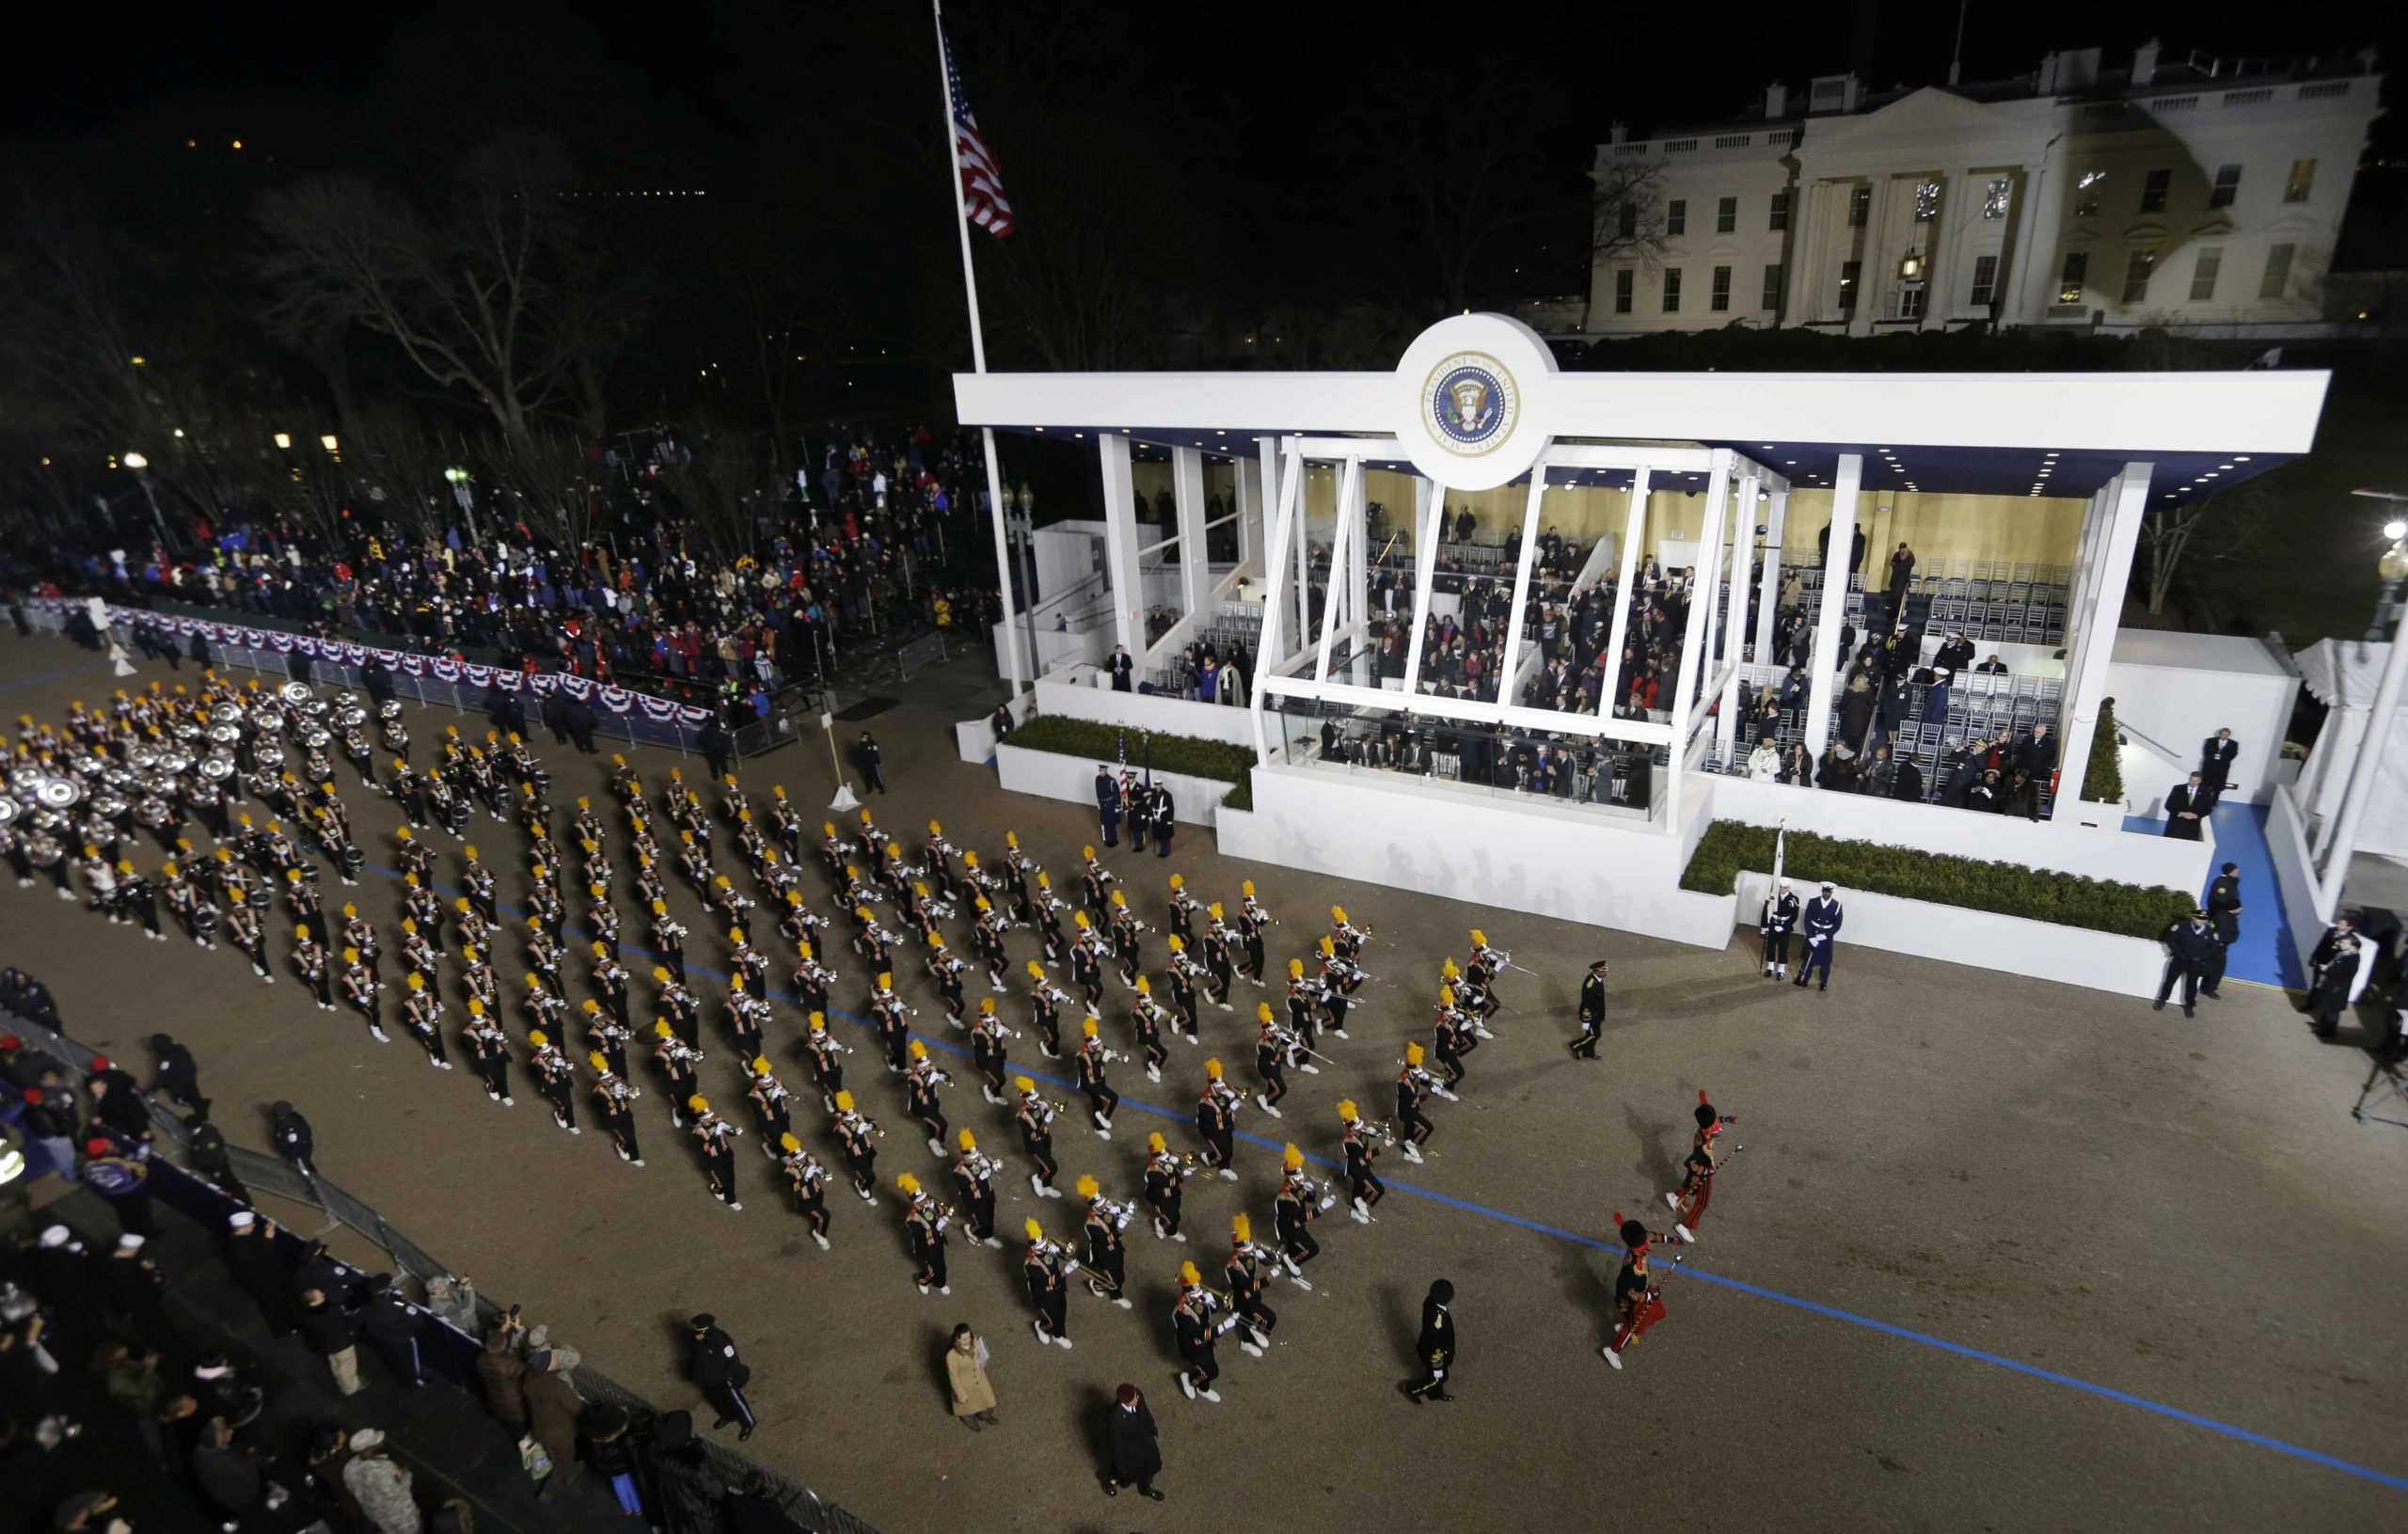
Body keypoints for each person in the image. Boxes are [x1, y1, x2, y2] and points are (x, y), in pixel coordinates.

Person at [688, 1313, 756, 1440]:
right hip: (709, 1378)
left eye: (699, 1331)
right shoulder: (699, 1339)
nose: (696, 1333)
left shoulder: (721, 1340)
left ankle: (749, 1422)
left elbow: (733, 1360)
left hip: (725, 1377)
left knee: (736, 1401)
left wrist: (729, 1377)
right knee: (717, 1399)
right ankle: (728, 1415)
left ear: (706, 1330)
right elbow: (699, 1357)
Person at [341, 1429, 422, 1534]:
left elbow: (352, 1490)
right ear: (369, 1448)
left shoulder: (349, 1468)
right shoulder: (384, 1469)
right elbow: (399, 1493)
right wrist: (406, 1475)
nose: (381, 1441)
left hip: (381, 1521)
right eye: (377, 1440)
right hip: (403, 1520)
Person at [1104, 1383, 1164, 1500]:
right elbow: (1116, 1444)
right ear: (1125, 1403)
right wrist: (1120, 1464)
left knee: (1151, 1465)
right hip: (1129, 1449)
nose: (1137, 1399)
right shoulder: (1115, 1418)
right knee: (1122, 1473)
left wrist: (1152, 1427)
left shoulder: (1138, 1395)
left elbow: (1146, 1412)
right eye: (1134, 1399)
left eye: (1136, 1396)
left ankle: (1145, 1487)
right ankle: (1110, 1482)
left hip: (1145, 1441)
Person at [1400, 1278, 1457, 1402]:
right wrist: (1437, 1366)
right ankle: (1412, 1389)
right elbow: (1436, 1343)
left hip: (1426, 1346)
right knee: (1439, 1377)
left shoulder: (1429, 1302)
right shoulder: (1438, 1319)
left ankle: (1435, 1393)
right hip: (1435, 1354)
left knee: (1439, 1376)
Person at [2155, 909, 2217, 1019]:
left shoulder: (2210, 931)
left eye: (2204, 919)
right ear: (2193, 917)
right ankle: (2162, 1000)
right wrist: (2179, 953)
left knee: (2192, 986)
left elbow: (2212, 947)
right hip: (2180, 960)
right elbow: (2170, 939)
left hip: (2196, 962)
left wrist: (2202, 957)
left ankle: (2189, 1005)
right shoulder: (2181, 926)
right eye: (2199, 918)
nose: (2201, 921)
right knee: (2169, 981)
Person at [945, 1323, 1000, 1430]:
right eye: (964, 1339)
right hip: (965, 1385)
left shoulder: (974, 1342)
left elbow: (980, 1355)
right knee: (967, 1409)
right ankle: (970, 1421)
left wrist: (982, 1360)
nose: (967, 1340)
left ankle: (985, 1416)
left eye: (969, 1337)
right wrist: (960, 1394)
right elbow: (953, 1377)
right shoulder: (951, 1356)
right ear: (957, 1339)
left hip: (980, 1379)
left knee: (987, 1402)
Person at [2202, 861, 2242, 1000]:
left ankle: (2208, 987)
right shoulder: (2222, 883)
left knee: (2217, 961)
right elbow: (2219, 901)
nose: (2238, 872)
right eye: (2237, 870)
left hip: (2224, 928)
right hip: (2220, 927)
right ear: (2231, 870)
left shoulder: (2229, 883)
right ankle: (2207, 987)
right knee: (2215, 961)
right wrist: (2234, 908)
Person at [146, 1033, 209, 1118]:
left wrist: (151, 1090)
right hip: (190, 1073)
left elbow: (161, 1076)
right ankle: (201, 1106)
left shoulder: (165, 1059)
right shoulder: (180, 1048)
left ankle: (198, 1106)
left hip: (179, 1080)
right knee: (193, 1090)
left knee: (178, 1099)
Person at [1795, 882, 1842, 992]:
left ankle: (1823, 983)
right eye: (1825, 891)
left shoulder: (1837, 905)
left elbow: (1837, 924)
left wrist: (1825, 935)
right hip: (1813, 933)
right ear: (1822, 891)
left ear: (1831, 893)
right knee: (1808, 960)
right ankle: (1804, 979)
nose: (1826, 894)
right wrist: (1811, 936)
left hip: (1826, 937)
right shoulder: (1813, 902)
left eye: (1828, 892)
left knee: (1825, 963)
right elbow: (1807, 920)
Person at [1759, 879, 1798, 980]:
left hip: (1785, 927)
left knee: (1783, 948)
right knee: (1770, 947)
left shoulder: (1794, 899)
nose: (1782, 889)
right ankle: (1770, 967)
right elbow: (1766, 911)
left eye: (1785, 887)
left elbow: (1794, 916)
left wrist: (1784, 927)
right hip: (1772, 925)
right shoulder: (1773, 896)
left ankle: (1781, 970)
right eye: (1780, 887)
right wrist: (1764, 926)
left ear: (1789, 888)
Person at [1569, 957, 1608, 1059]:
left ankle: (1588, 1053)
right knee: (1594, 1035)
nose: (1605, 972)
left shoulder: (1597, 979)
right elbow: (1586, 1003)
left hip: (1597, 1014)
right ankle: (1575, 1046)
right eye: (1603, 970)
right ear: (1597, 971)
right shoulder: (1590, 984)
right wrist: (1586, 1020)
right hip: (1591, 1016)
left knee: (1591, 1035)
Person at [2162, 771, 2210, 840]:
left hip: (2191, 829)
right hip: (2175, 827)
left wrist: (2196, 815)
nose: (2193, 783)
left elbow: (2208, 809)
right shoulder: (2177, 789)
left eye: (2196, 781)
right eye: (2192, 780)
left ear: (2200, 781)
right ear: (2189, 779)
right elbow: (2169, 805)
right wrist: (2181, 813)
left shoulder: (2206, 792)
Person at [2199, 726, 2239, 797]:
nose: (2224, 736)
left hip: (2223, 768)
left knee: (2218, 786)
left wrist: (2221, 758)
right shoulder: (2210, 740)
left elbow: (2233, 755)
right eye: (2223, 734)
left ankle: (2214, 801)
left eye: (2226, 735)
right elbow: (2206, 752)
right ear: (2219, 734)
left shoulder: (2234, 743)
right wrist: (2214, 757)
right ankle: (2203, 800)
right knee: (2205, 784)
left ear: (2229, 735)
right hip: (2209, 766)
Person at [1093, 765, 1120, 847]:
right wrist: (1098, 801)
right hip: (1102, 803)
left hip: (1110, 804)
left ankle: (1113, 840)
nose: (1101, 772)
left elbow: (1116, 794)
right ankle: (1108, 840)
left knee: (1111, 822)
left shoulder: (1111, 781)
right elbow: (1097, 790)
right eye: (1100, 771)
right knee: (1104, 822)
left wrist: (1117, 806)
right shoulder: (1097, 779)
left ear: (1106, 771)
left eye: (1103, 771)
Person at [853, 730, 887, 795]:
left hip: (873, 764)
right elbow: (859, 754)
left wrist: (879, 762)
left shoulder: (873, 745)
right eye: (862, 737)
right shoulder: (861, 744)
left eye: (864, 737)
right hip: (865, 764)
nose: (862, 738)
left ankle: (882, 788)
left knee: (877, 777)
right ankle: (869, 789)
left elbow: (876, 754)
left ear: (868, 738)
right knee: (867, 777)